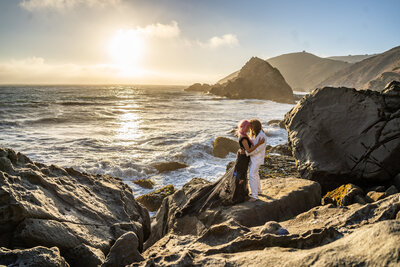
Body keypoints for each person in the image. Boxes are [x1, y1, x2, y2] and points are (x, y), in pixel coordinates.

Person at [175, 120, 265, 217]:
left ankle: (239, 194)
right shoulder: (243, 137)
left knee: (240, 176)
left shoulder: (244, 135)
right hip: (243, 161)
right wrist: (258, 144)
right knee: (240, 176)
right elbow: (248, 150)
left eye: (249, 127)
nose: (249, 128)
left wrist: (244, 149)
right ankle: (236, 196)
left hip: (243, 159)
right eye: (248, 127)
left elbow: (244, 148)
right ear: (244, 127)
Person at [245, 119, 267, 202]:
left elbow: (258, 149)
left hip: (257, 158)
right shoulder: (256, 134)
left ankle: (255, 196)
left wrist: (247, 152)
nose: (250, 127)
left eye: (251, 125)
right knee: (256, 174)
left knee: (251, 175)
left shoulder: (261, 135)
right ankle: (258, 190)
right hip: (255, 158)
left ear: (255, 126)